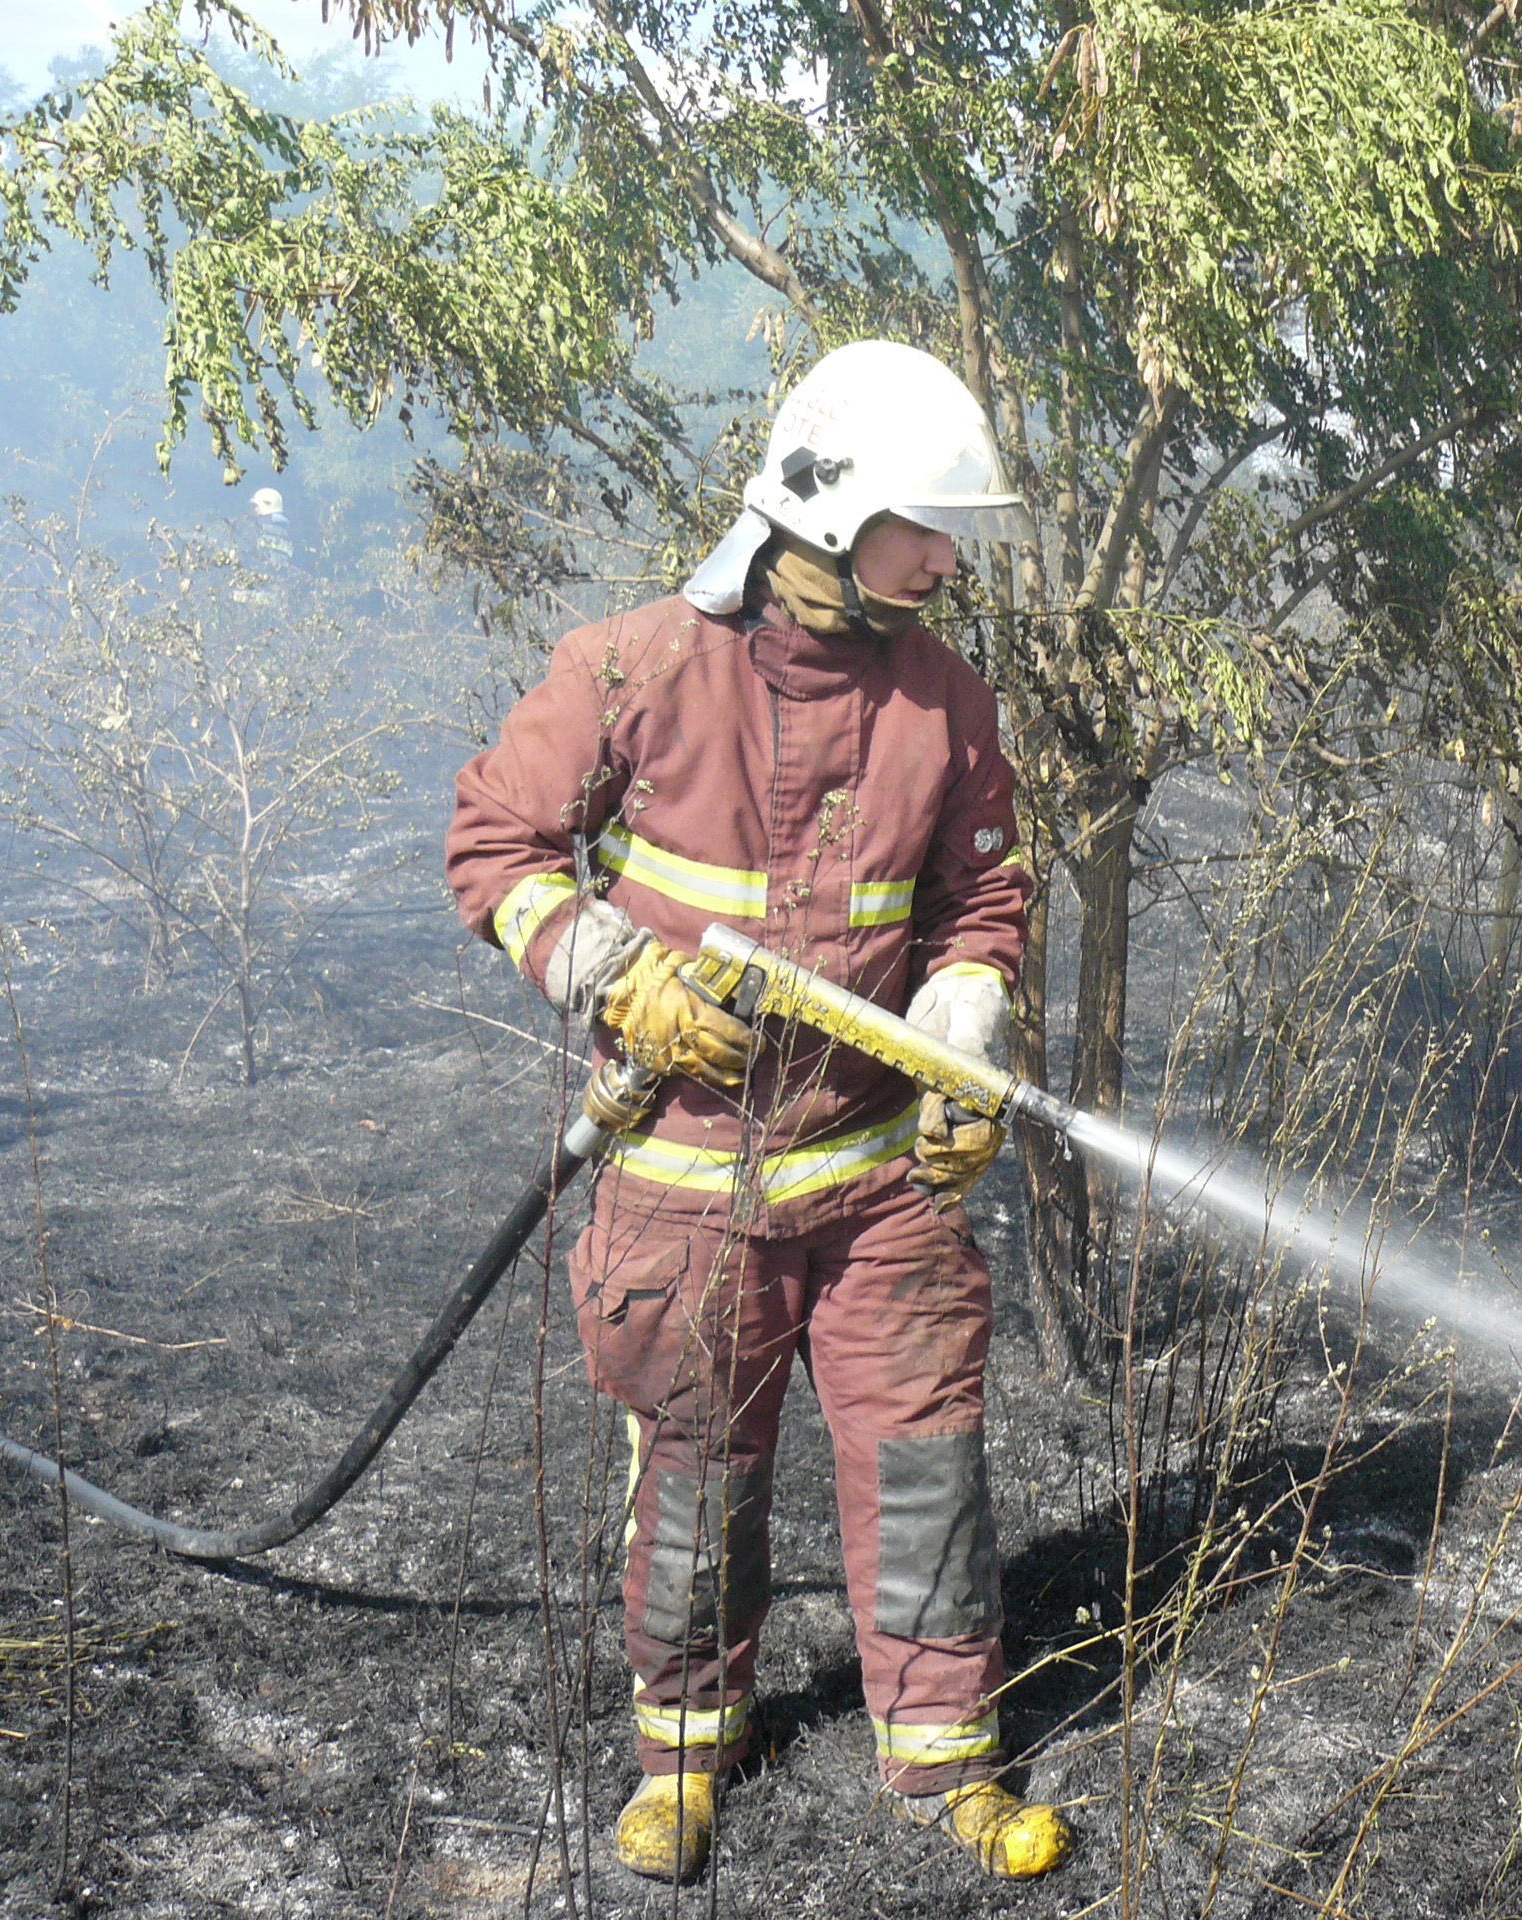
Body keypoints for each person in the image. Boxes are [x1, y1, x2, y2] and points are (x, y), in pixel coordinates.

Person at [445, 340, 1070, 1883]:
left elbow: (979, 898)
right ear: (833, 518)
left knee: (925, 1462)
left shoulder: (944, 698)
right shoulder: (638, 666)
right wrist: (611, 973)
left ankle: (945, 1763)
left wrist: (964, 1026)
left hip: (875, 1189)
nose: (947, 558)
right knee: (696, 1475)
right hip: (683, 1181)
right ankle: (683, 1753)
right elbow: (495, 844)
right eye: (927, 527)